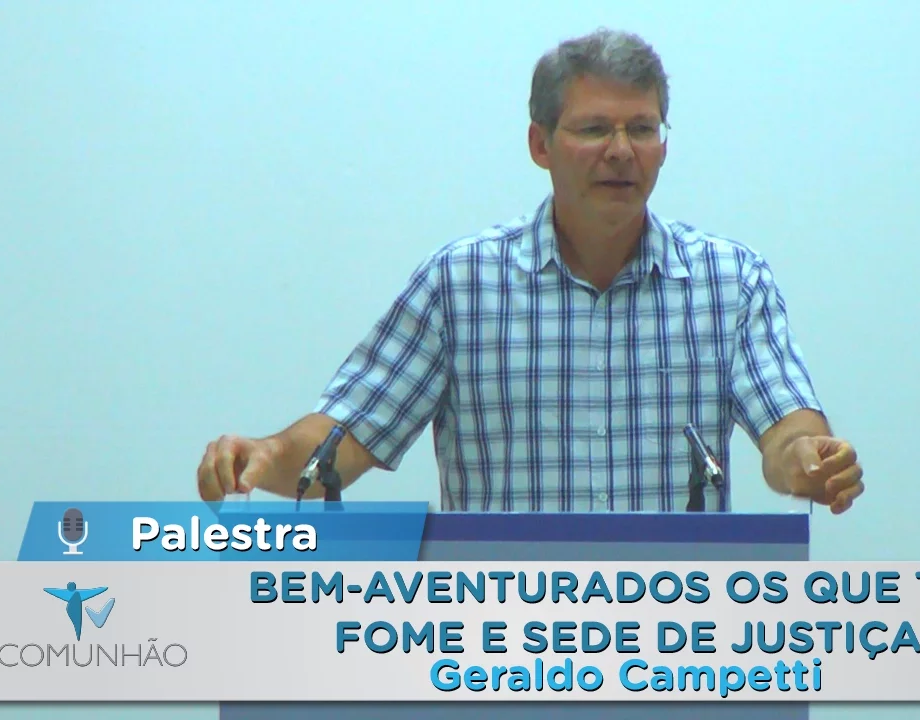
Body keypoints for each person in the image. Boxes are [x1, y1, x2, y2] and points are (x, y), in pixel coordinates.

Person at [197, 28, 864, 515]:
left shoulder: (730, 282)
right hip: (501, 641)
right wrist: (265, 456)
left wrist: (811, 462)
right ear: (540, 144)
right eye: (594, 129)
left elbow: (789, 432)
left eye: (642, 129)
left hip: (676, 639)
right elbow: (342, 440)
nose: (621, 151)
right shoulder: (462, 284)